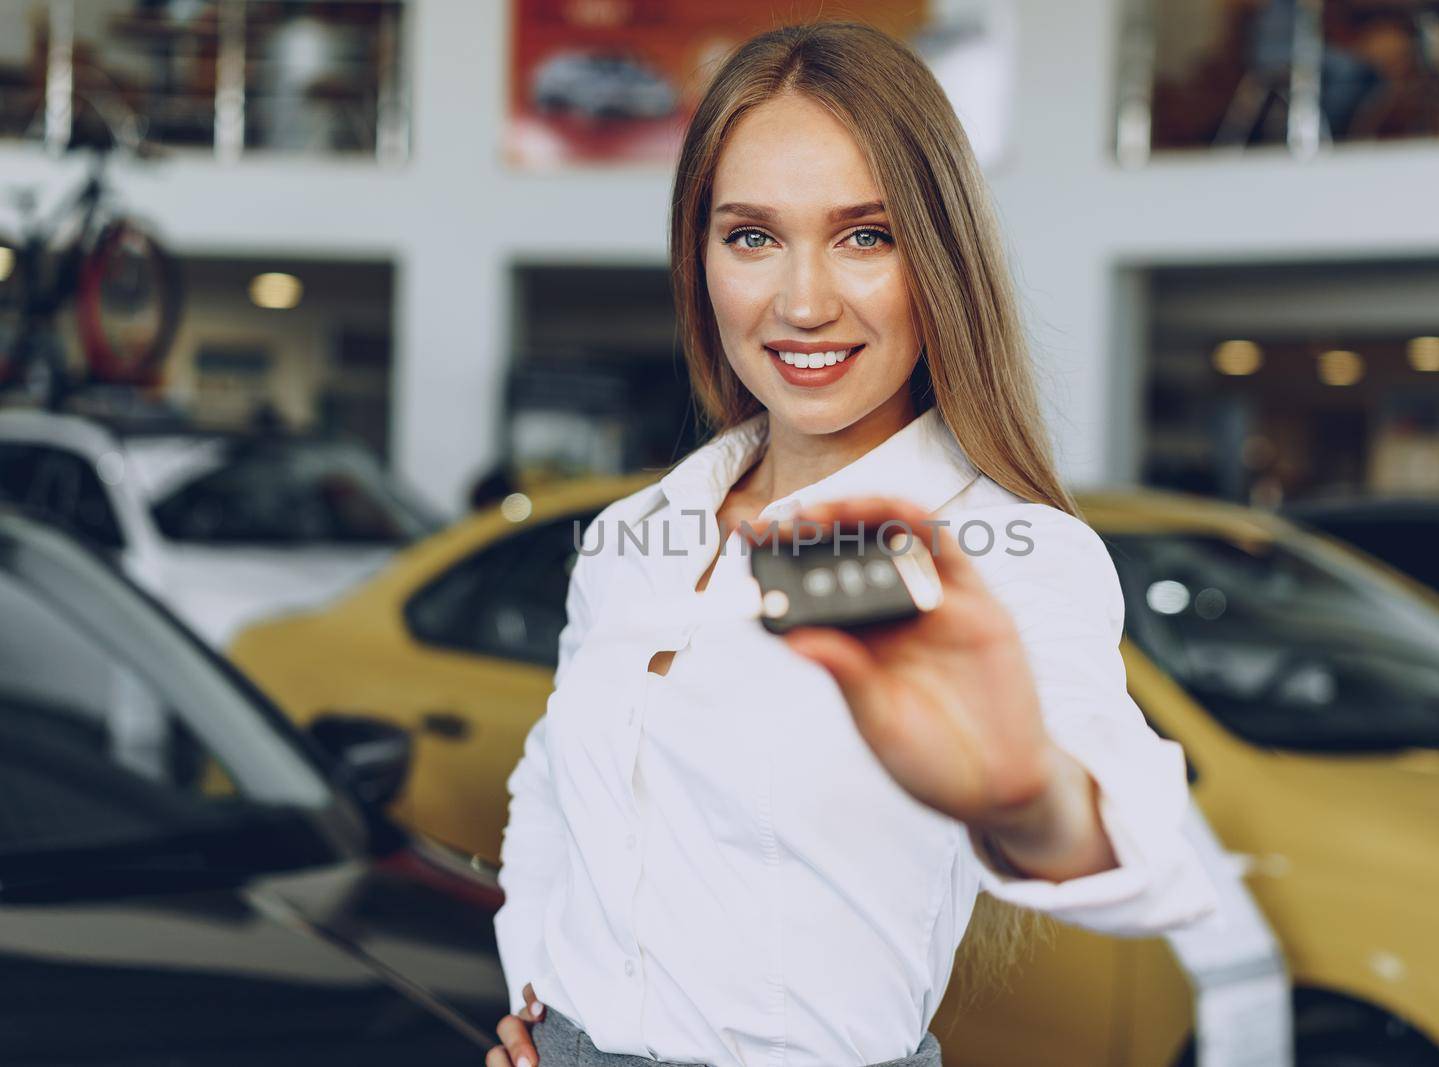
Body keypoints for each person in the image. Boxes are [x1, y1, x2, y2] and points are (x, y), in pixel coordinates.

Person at [486, 21, 1219, 1067]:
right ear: (700, 258)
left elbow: (1135, 839)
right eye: (751, 236)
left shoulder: (1000, 552)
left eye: (864, 235)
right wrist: (540, 1000)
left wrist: (1023, 793)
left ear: (939, 258)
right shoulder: (633, 536)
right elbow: (552, 789)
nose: (802, 301)